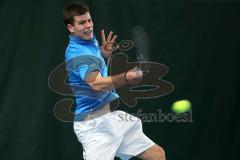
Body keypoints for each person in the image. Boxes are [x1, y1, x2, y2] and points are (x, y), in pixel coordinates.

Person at [63, 2, 166, 160]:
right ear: (71, 28)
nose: (88, 26)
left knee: (157, 155)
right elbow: (95, 84)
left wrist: (103, 55)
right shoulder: (79, 53)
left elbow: (94, 70)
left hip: (110, 120)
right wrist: (126, 77)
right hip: (94, 129)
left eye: (89, 20)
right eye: (82, 23)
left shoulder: (89, 41)